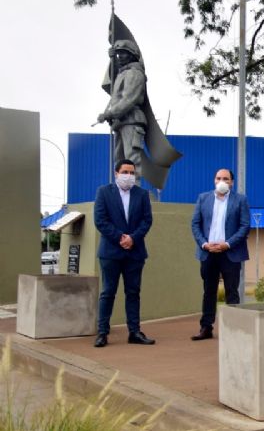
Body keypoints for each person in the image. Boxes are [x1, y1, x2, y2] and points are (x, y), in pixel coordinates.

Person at [93, 159, 155, 348]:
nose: (128, 176)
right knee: (108, 292)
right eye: (125, 172)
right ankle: (102, 332)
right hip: (111, 252)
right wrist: (120, 237)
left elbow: (147, 220)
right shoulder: (104, 192)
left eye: (132, 173)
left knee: (133, 293)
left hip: (135, 252)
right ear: (116, 173)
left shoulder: (142, 194)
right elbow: (100, 220)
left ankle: (134, 332)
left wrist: (133, 238)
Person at [190, 169, 251, 340]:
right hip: (208, 253)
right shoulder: (203, 198)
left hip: (230, 253)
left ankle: (234, 329)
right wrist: (204, 244)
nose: (222, 181)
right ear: (214, 180)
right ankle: (206, 327)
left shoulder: (240, 200)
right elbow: (195, 224)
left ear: (232, 182)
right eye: (218, 178)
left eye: (226, 178)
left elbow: (245, 226)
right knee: (209, 291)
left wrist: (227, 244)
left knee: (232, 291)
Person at [97, 40, 148, 180]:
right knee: (119, 161)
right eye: (118, 54)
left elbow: (128, 99)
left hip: (132, 120)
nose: (119, 57)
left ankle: (133, 194)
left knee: (132, 162)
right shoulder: (122, 73)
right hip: (121, 122)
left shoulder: (134, 73)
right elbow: (117, 96)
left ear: (132, 56)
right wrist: (111, 58)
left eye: (123, 54)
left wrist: (109, 113)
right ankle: (120, 194)